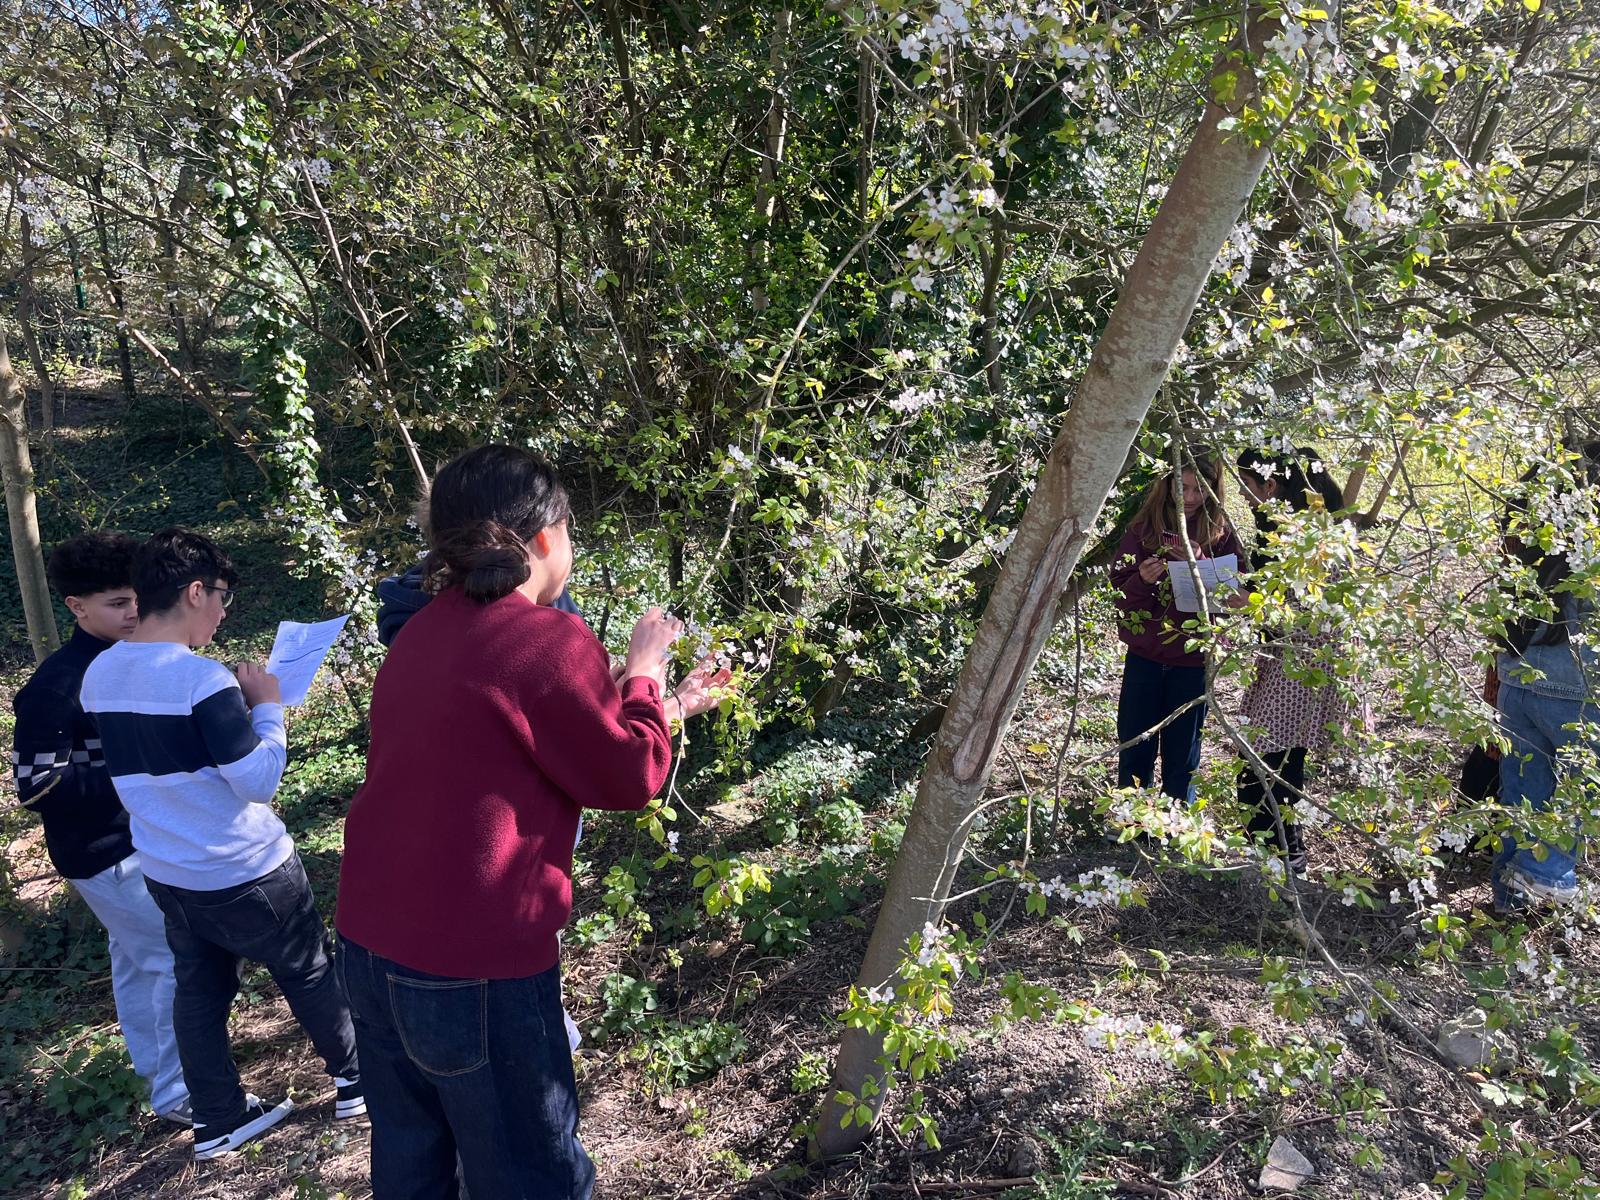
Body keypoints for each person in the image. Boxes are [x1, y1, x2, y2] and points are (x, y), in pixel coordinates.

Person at [335, 445, 730, 1200]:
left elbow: (533, 734)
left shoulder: (422, 630)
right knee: (530, 1174)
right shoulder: (545, 638)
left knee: (413, 1162)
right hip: (472, 965)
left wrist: (667, 703)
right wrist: (646, 668)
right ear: (546, 536)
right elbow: (631, 775)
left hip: (369, 947)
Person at [79, 528, 362, 1160]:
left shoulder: (100, 673)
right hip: (246, 868)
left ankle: (217, 1118)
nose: (224, 612)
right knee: (308, 970)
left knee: (199, 992)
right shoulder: (200, 681)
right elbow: (257, 781)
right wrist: (267, 707)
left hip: (167, 870)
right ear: (194, 591)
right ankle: (356, 1080)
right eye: (221, 597)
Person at [9, 532, 190, 1125]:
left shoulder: (137, 659)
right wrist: (137, 767)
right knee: (175, 958)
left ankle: (156, 1073)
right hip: (105, 854)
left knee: (137, 961)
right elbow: (37, 786)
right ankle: (182, 1091)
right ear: (76, 607)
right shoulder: (57, 686)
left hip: (144, 841)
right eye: (116, 603)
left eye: (137, 597)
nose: (134, 611)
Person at [1491, 441, 1600, 912]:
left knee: (1523, 792)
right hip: (1576, 694)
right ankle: (1546, 874)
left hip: (1518, 685)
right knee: (1584, 788)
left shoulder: (1523, 546)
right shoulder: (1588, 552)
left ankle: (1511, 898)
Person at [1233, 448, 1348, 872]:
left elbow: (1309, 608)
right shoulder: (1292, 528)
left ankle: (1285, 852)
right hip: (1291, 657)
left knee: (1271, 756)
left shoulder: (1310, 534)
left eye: (1247, 484)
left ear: (1270, 485)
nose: (1242, 495)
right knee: (1273, 754)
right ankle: (1275, 851)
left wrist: (1252, 603)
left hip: (1303, 662)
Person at [1109, 451, 1247, 804]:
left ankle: (1177, 820)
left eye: (1199, 490)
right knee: (1135, 743)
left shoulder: (1222, 534)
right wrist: (1142, 580)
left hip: (1193, 660)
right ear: (1166, 484)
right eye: (1181, 487)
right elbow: (1121, 595)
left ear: (1212, 491)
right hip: (1145, 656)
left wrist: (1200, 563)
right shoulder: (1143, 530)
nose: (1189, 498)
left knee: (1183, 752)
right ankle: (1132, 816)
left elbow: (1237, 596)